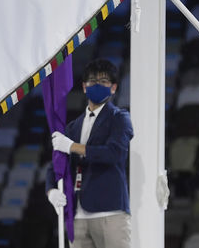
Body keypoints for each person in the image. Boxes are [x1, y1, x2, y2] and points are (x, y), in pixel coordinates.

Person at [46, 58, 134, 248]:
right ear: (84, 87)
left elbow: (114, 153)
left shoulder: (119, 118)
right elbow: (56, 164)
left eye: (103, 81)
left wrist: (72, 147)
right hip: (78, 215)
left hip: (110, 213)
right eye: (92, 81)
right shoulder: (72, 127)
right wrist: (50, 190)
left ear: (113, 88)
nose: (97, 85)